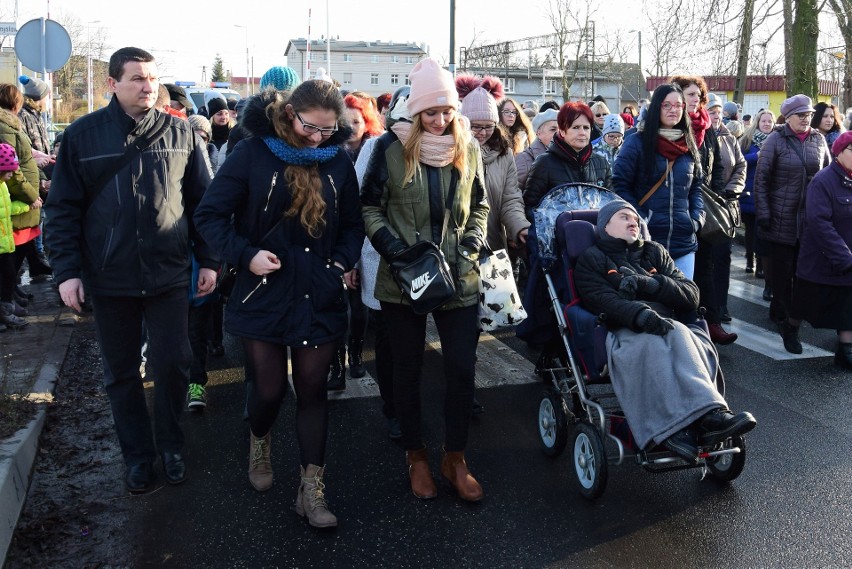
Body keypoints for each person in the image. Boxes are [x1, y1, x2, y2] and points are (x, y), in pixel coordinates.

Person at [44, 47, 218, 495]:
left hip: (168, 273)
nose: (148, 86)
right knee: (121, 373)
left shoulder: (182, 134)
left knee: (174, 363)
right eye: (138, 78)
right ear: (113, 84)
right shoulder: (83, 136)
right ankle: (138, 457)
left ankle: (172, 444)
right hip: (110, 278)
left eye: (153, 77)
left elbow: (203, 205)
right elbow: (62, 210)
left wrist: (211, 261)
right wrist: (66, 272)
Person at [194, 80, 363, 528]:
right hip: (262, 293)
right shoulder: (253, 153)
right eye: (311, 127)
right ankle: (260, 437)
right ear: (290, 113)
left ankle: (311, 489)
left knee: (312, 391)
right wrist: (245, 254)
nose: (318, 138)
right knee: (268, 390)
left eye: (329, 131)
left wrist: (341, 262)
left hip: (318, 292)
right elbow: (209, 216)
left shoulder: (339, 161)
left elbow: (352, 224)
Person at [361, 58, 489, 502]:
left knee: (460, 368)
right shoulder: (389, 149)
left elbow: (480, 206)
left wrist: (470, 247)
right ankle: (416, 456)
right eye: (430, 112)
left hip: (459, 275)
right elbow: (369, 207)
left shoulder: (468, 147)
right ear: (415, 112)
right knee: (407, 369)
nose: (440, 120)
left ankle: (455, 457)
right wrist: (395, 252)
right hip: (405, 276)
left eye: (447, 111)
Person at [573, 199, 756, 463]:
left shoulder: (654, 251)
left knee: (683, 336)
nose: (633, 222)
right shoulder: (592, 258)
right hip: (624, 329)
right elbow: (600, 299)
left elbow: (691, 294)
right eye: (624, 217)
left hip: (669, 322)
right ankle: (674, 428)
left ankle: (710, 415)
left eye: (635, 218)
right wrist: (639, 314)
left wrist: (651, 284)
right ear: (605, 226)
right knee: (659, 343)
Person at [754, 94, 831, 353]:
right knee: (782, 273)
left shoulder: (818, 140)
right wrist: (764, 212)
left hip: (809, 220)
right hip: (780, 218)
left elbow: (827, 176)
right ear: (788, 118)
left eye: (809, 114)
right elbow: (761, 180)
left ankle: (790, 318)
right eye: (801, 115)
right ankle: (783, 313)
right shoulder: (774, 141)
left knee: (803, 273)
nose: (806, 119)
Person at [612, 83, 704, 279]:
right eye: (666, 105)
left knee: (684, 301)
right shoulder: (637, 142)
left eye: (678, 105)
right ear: (656, 108)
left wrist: (695, 220)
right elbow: (620, 185)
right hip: (647, 240)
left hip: (683, 241)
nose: (674, 110)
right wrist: (642, 218)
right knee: (652, 304)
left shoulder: (689, 144)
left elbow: (696, 188)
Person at [326, 91, 384, 391]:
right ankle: (336, 364)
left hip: (363, 240)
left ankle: (357, 355)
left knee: (358, 306)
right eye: (345, 121)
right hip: (333, 239)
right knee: (336, 305)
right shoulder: (329, 151)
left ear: (367, 122)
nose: (351, 127)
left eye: (357, 120)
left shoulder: (376, 151)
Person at [790, 131, 852, 369]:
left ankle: (846, 349)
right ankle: (791, 327)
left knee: (848, 302)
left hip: (847, 260)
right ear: (838, 153)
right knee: (807, 303)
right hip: (821, 258)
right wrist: (843, 255)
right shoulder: (823, 180)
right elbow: (818, 221)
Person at [692, 94, 745, 343]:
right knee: (692, 267)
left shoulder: (722, 136)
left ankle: (714, 318)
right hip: (689, 207)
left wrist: (722, 193)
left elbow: (734, 167)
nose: (714, 115)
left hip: (716, 207)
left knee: (713, 264)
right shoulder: (688, 130)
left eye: (718, 111)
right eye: (710, 110)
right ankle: (694, 322)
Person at [0, 83, 52, 285]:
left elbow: (24, 159)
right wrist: (31, 194)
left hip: (25, 195)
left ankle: (11, 293)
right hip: (21, 197)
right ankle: (8, 297)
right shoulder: (6, 127)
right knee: (12, 252)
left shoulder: (11, 124)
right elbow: (11, 167)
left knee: (21, 246)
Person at [523, 101, 612, 215]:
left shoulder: (601, 163)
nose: (582, 133)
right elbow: (530, 207)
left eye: (586, 127)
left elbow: (611, 203)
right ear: (562, 131)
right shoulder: (544, 163)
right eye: (575, 127)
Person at [739, 109, 776, 294]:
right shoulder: (748, 140)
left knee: (763, 231)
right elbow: (739, 161)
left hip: (768, 193)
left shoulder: (777, 140)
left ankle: (761, 265)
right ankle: (749, 260)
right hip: (749, 191)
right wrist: (757, 156)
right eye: (764, 121)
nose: (767, 124)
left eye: (770, 121)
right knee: (751, 230)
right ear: (758, 122)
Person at [0, 143, 30, 330]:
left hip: (5, 241)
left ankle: (5, 308)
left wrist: (25, 206)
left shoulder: (2, 185)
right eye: (8, 170)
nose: (12, 175)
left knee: (9, 275)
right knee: (6, 276)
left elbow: (7, 209)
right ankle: (4, 312)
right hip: (2, 242)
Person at [515, 108, 557, 191]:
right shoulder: (524, 158)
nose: (558, 133)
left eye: (562, 129)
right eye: (553, 129)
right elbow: (515, 194)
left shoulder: (566, 155)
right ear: (538, 133)